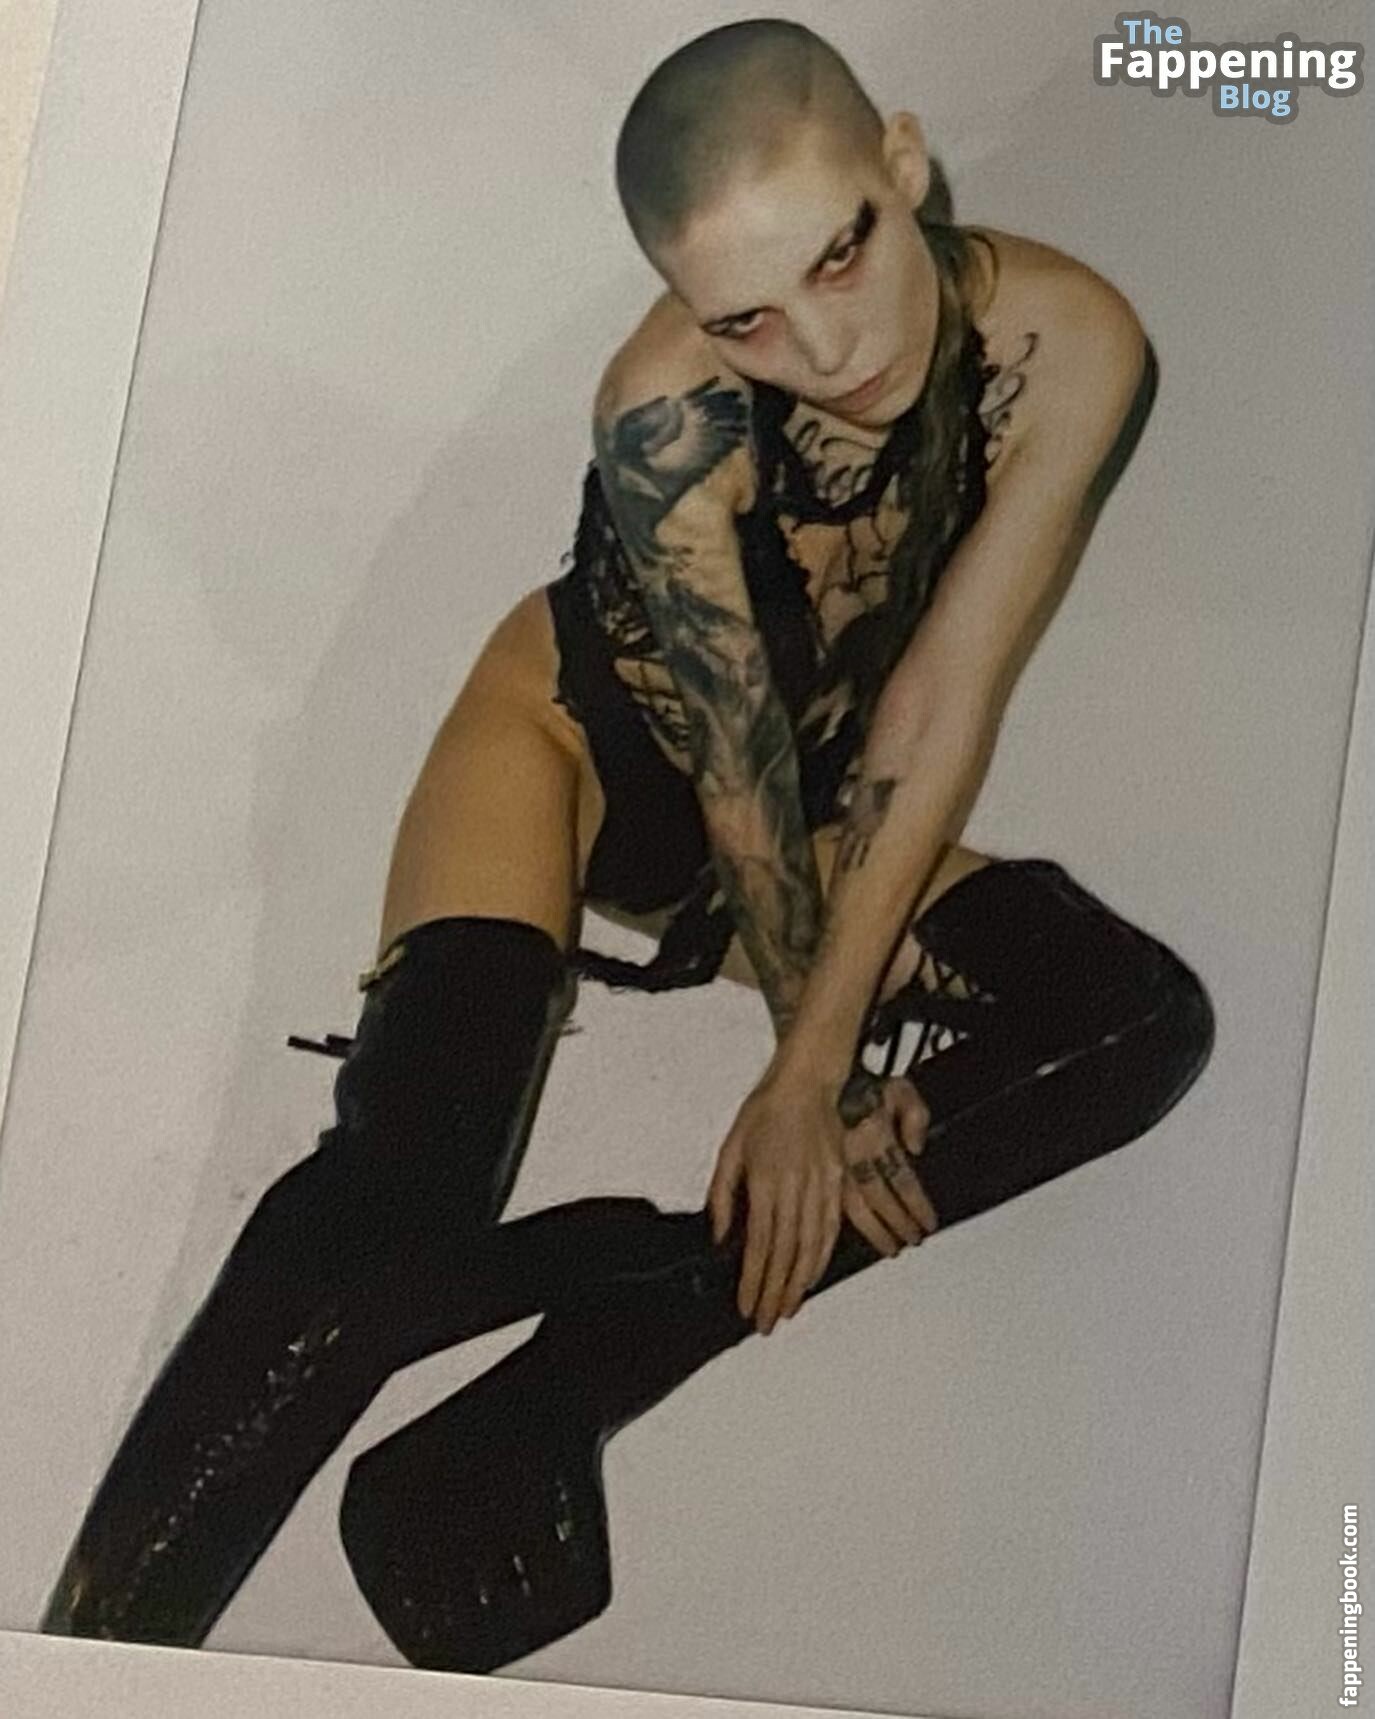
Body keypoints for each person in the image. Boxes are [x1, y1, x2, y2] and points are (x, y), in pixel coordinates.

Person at [42, 17, 1214, 1677]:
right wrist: (810, 1070)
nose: (826, 345)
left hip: (817, 808)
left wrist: (816, 1077)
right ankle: (85, 1662)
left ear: (902, 160)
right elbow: (730, 764)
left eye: (840, 254)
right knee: (400, 1193)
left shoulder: (1074, 340)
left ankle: (578, 1368)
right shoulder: (664, 411)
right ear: (685, 306)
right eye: (747, 318)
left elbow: (937, 701)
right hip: (576, 756)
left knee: (1133, 1019)